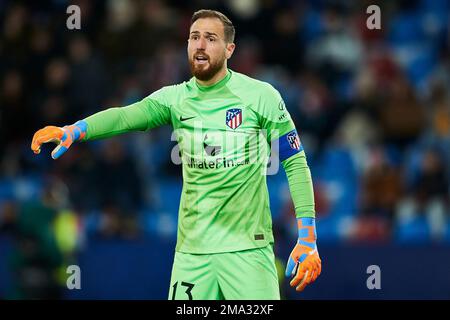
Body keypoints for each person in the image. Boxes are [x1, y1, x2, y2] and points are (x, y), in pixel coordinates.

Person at [31, 9, 321, 300]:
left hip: (248, 251)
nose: (200, 45)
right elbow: (124, 117)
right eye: (194, 37)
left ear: (229, 49)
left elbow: (295, 163)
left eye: (210, 38)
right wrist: (76, 130)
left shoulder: (261, 96)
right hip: (192, 255)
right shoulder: (175, 99)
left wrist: (307, 236)